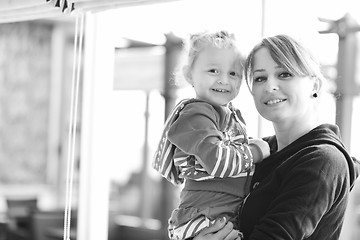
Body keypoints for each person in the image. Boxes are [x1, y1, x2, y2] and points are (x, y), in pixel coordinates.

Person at [193, 34, 360, 240]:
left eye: (284, 74)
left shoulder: (323, 161)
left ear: (314, 85)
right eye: (260, 78)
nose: (270, 86)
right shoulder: (259, 150)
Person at [152, 30, 270, 240]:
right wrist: (255, 151)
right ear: (189, 75)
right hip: (203, 220)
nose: (224, 80)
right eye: (213, 70)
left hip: (217, 216)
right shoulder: (196, 114)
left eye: (233, 73)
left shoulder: (222, 114)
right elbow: (218, 162)